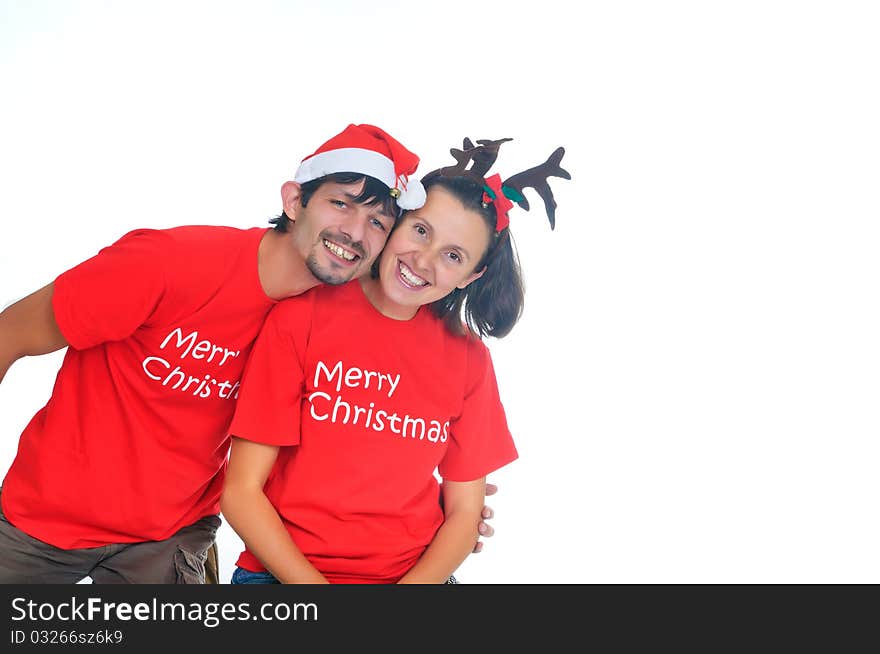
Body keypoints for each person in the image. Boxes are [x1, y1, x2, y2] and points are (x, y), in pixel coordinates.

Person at [0, 124, 497, 584]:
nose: (354, 233)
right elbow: (9, 334)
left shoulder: (331, 319)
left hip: (171, 537)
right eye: (342, 205)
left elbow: (372, 418)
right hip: (41, 521)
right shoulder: (168, 265)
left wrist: (441, 510)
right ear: (294, 201)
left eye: (378, 222)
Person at [220, 139, 569, 583]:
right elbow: (241, 492)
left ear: (472, 276)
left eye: (453, 256)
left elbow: (465, 513)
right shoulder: (301, 319)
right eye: (421, 231)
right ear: (397, 222)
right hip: (283, 574)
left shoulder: (468, 359)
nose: (423, 260)